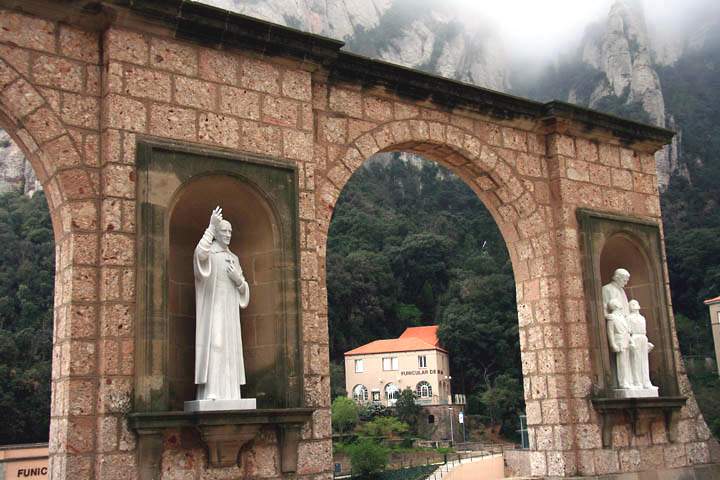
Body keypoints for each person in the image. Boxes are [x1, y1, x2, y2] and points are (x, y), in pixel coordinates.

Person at [193, 206, 250, 401]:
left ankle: (231, 392)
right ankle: (213, 390)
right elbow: (200, 255)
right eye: (223, 231)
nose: (227, 235)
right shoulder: (210, 254)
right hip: (215, 307)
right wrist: (210, 227)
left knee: (231, 348)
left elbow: (244, 291)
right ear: (216, 233)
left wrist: (238, 280)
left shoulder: (234, 259)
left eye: (230, 231)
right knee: (215, 344)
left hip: (230, 311)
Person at [627, 299, 655, 389]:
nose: (634, 306)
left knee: (644, 361)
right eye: (632, 305)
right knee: (636, 361)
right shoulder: (629, 318)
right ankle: (637, 381)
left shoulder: (642, 318)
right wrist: (631, 341)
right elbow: (628, 331)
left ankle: (646, 381)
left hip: (643, 337)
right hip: (635, 337)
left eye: (635, 304)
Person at [606, 298, 634, 389]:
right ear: (616, 305)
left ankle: (629, 381)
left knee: (627, 361)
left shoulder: (622, 317)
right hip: (619, 340)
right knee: (621, 362)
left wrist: (630, 340)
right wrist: (612, 344)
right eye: (619, 302)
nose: (620, 303)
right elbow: (610, 332)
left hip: (625, 339)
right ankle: (623, 382)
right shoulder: (611, 317)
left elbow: (627, 331)